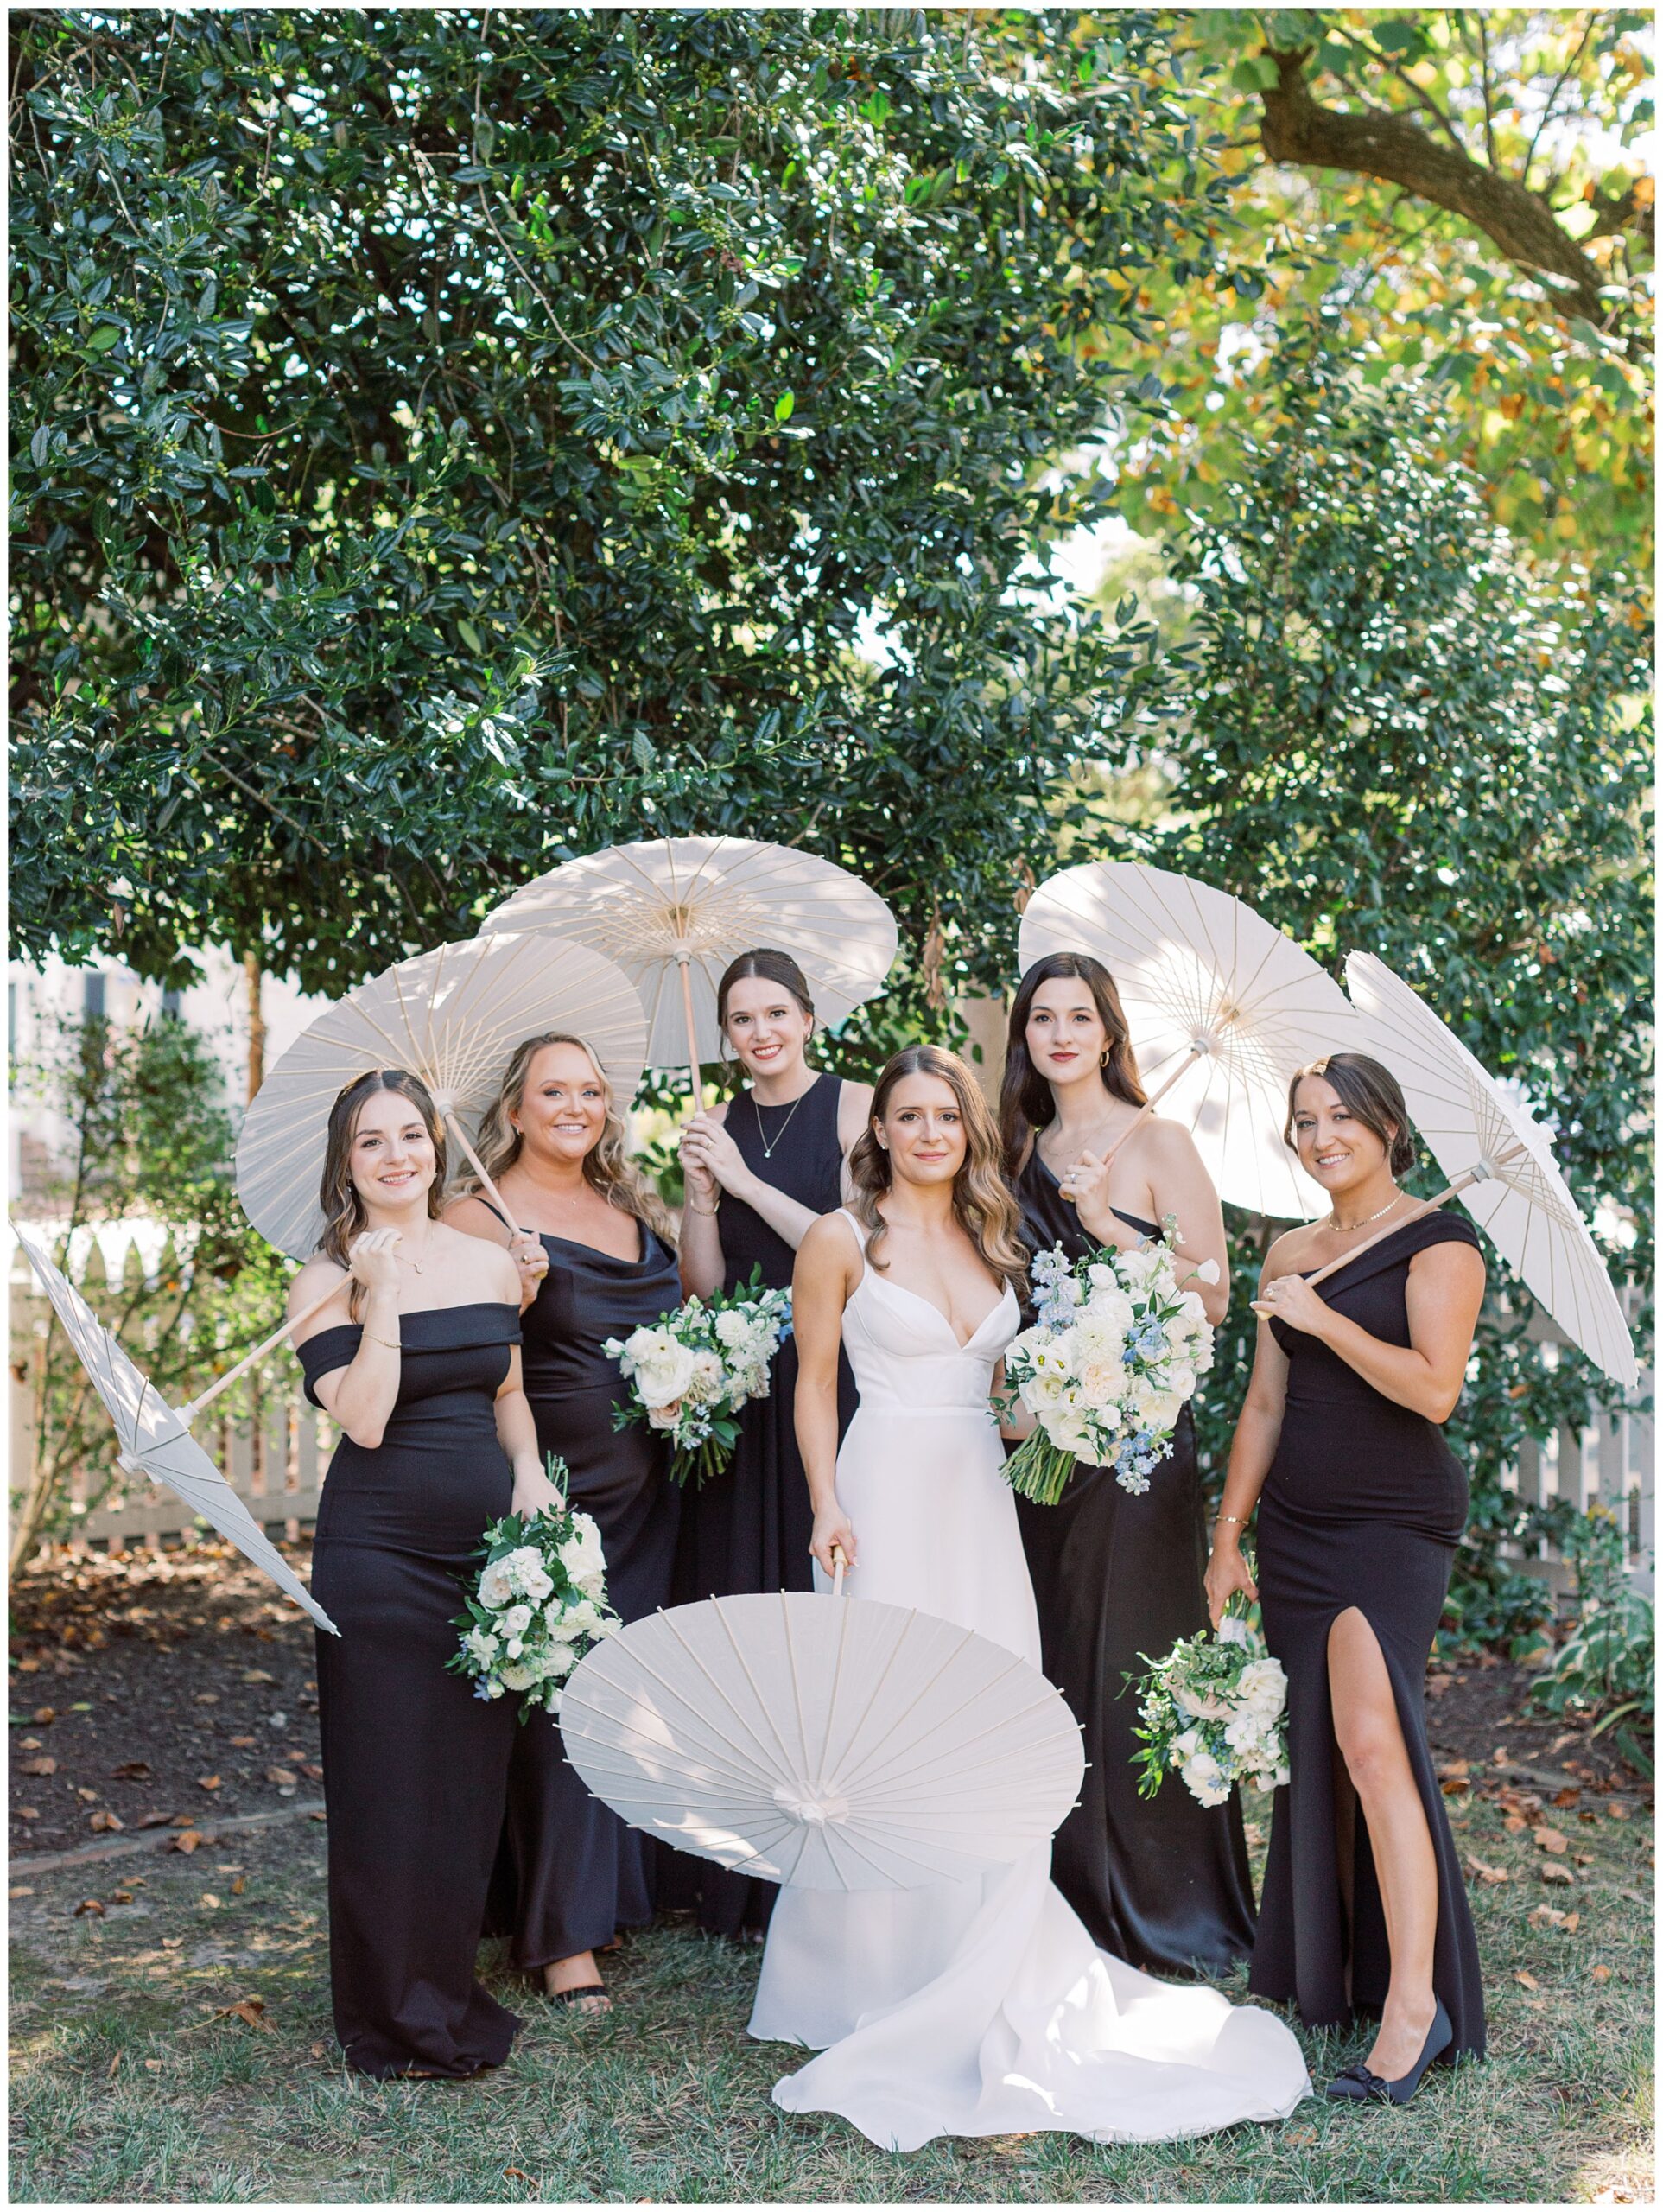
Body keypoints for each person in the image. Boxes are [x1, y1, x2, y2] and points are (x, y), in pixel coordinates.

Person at [748, 1044, 1310, 2152]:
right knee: (884, 1719)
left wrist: (1071, 1397)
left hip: (979, 1501)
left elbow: (1005, 1396)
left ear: (968, 1131)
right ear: (880, 1133)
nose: (926, 1134)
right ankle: (861, 1968)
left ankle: (987, 1942)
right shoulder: (838, 1238)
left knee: (989, 1715)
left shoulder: (995, 1240)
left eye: (944, 1117)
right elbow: (812, 1385)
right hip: (881, 1498)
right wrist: (823, 1501)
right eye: (906, 1117)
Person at [1206, 1051, 1488, 2104]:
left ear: (1386, 1126)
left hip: (1392, 1522)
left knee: (1374, 1745)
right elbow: (1265, 1405)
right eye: (1304, 1119)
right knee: (1321, 1750)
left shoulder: (1440, 1243)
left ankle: (1414, 2007)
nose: (1321, 1136)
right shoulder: (1289, 1247)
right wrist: (1227, 1532)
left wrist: (1324, 1320)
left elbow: (1432, 1392)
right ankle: (1344, 1970)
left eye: (1341, 1118)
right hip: (1296, 1525)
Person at [289, 1068, 555, 2078]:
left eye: (411, 1134)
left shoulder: (490, 1258)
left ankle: (445, 1990)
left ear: (435, 1147)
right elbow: (362, 1414)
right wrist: (385, 1288)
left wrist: (528, 1469)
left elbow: (509, 1391)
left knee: (461, 1788)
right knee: (384, 1788)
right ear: (345, 1162)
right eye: (372, 1141)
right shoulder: (321, 1283)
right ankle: (386, 2016)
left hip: (485, 1562)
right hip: (378, 1556)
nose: (397, 1155)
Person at [999, 951, 1255, 1976]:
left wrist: (1108, 1224)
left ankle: (1159, 1903)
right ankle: (1060, 1889)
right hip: (1039, 1445)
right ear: (1022, 1036)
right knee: (1055, 1652)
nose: (1059, 1034)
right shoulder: (1015, 1151)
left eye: (1078, 1017)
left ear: (1107, 1032)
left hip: (1137, 1447)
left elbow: (1213, 1294)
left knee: (1129, 1660)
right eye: (1040, 1018)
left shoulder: (1158, 1141)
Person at [447, 1033, 682, 2014]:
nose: (576, 1106)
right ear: (513, 1110)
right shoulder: (473, 1210)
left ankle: (604, 1893)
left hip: (652, 1490)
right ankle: (562, 1938)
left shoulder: (630, 1203)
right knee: (560, 1697)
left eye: (590, 1090)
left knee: (624, 1691)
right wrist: (518, 1289)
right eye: (554, 1091)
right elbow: (454, 1351)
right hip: (554, 1485)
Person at [667, 949, 871, 1939]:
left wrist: (745, 1182)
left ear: (807, 1017)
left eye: (775, 1012)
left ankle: (829, 1854)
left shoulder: (852, 1108)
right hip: (741, 1390)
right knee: (741, 1608)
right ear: (724, 1033)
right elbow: (702, 1288)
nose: (759, 1032)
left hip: (830, 1381)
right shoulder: (712, 1127)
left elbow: (860, 1248)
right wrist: (703, 1201)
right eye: (740, 1018)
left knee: (819, 1612)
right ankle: (738, 1874)